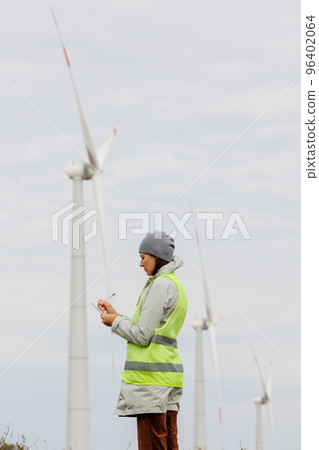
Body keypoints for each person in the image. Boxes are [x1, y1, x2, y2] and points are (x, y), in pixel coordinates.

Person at [98, 231, 188, 450]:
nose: (140, 264)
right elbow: (151, 329)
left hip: (150, 383)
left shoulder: (160, 286)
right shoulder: (175, 284)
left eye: (143, 257)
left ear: (157, 257)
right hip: (168, 379)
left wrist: (114, 322)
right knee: (169, 444)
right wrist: (117, 315)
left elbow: (141, 335)